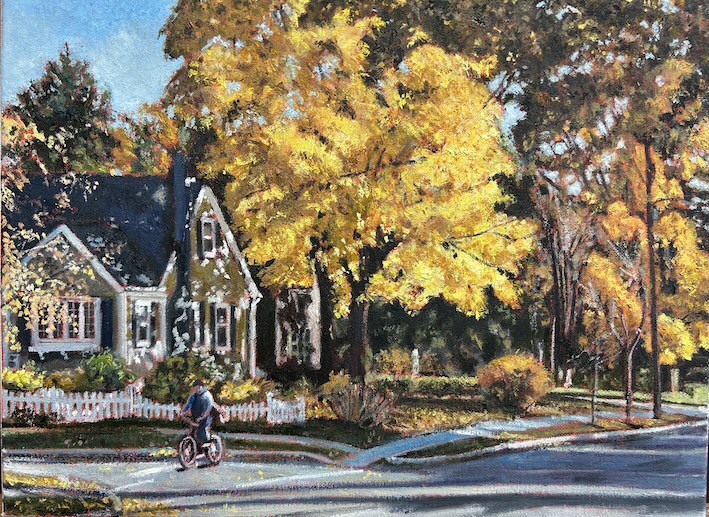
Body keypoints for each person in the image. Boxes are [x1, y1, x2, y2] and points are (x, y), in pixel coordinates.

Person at [181, 379, 218, 447]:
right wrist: (183, 412)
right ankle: (193, 446)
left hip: (207, 416)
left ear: (202, 386)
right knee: (193, 431)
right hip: (196, 416)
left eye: (198, 387)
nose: (196, 389)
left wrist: (202, 417)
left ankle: (208, 444)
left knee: (203, 430)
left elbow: (208, 408)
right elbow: (188, 404)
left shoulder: (207, 396)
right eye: (195, 387)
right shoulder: (193, 396)